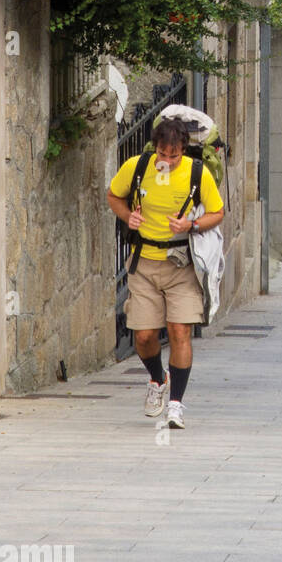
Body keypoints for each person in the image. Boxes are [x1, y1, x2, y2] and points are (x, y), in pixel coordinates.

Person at [106, 116, 225, 429]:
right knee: (144, 336)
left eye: (174, 155)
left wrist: (191, 225)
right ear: (154, 148)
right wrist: (127, 216)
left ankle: (176, 404)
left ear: (184, 150)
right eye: (163, 154)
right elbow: (113, 196)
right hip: (143, 261)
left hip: (182, 263)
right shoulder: (137, 166)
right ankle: (157, 379)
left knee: (179, 331)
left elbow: (217, 213)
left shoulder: (197, 173)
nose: (168, 161)